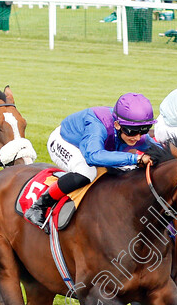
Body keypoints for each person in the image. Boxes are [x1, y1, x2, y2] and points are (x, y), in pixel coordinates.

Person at [23, 93, 158, 228]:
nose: (138, 137)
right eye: (132, 131)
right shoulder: (97, 125)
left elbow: (159, 150)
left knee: (128, 170)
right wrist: (136, 158)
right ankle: (39, 206)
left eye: (144, 130)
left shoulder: (134, 132)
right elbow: (93, 156)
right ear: (117, 125)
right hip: (66, 141)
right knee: (87, 172)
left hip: (93, 146)